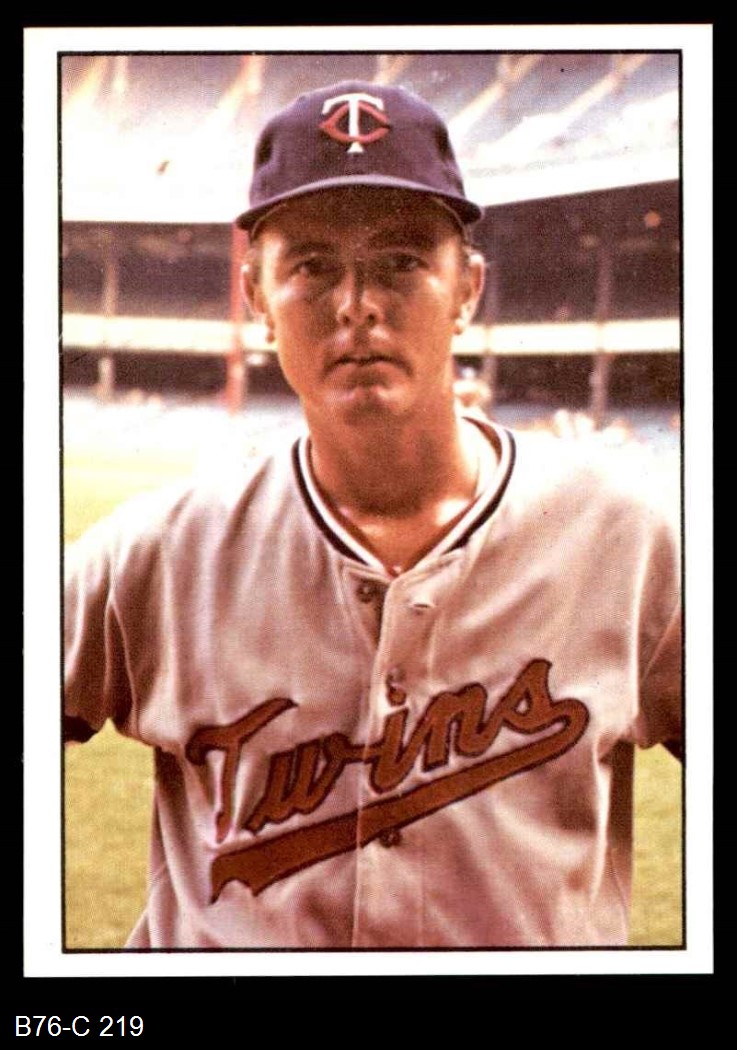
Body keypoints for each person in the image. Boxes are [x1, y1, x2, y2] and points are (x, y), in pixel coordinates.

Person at [64, 80, 682, 949]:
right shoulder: (154, 554)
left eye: (400, 261)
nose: (357, 303)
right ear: (255, 296)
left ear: (466, 288)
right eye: (312, 266)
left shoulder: (629, 540)